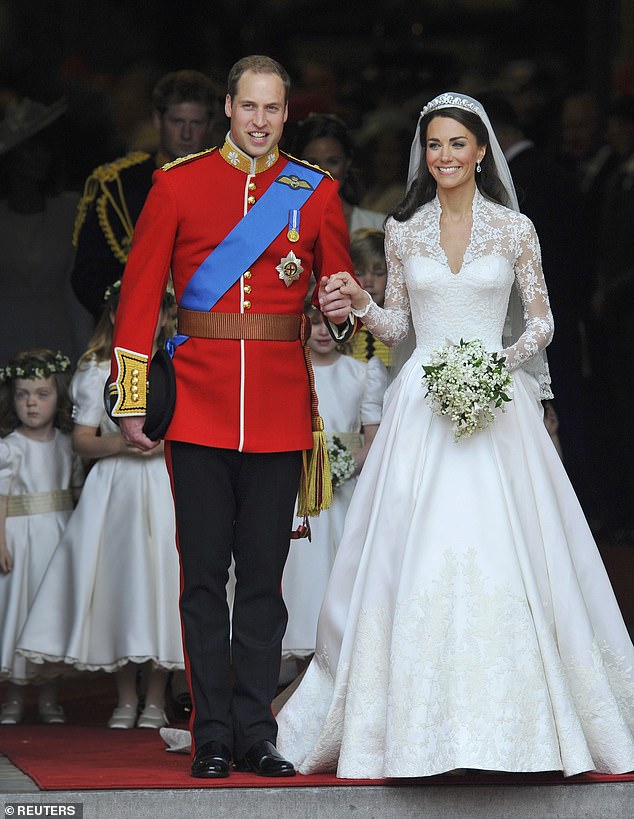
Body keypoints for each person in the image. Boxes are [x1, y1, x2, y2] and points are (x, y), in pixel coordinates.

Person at [274, 92, 634, 778]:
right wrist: (361, 302)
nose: (444, 156)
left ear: (480, 151)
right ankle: (411, 729)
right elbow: (400, 329)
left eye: (457, 145)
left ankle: (524, 729)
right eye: (434, 145)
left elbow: (543, 323)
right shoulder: (402, 230)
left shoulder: (515, 228)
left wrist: (495, 367)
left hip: (498, 404)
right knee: (413, 556)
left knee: (515, 553)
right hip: (422, 408)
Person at [108, 55, 354, 778]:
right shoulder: (177, 185)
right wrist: (130, 398)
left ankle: (257, 729)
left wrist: (338, 318)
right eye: (248, 106)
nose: (259, 121)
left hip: (278, 411)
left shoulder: (316, 194)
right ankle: (211, 730)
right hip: (198, 409)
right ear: (227, 107)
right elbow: (140, 295)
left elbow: (335, 305)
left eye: (272, 109)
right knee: (203, 577)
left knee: (265, 582)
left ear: (286, 115)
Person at [16, 284, 183, 729]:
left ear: (165, 318)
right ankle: (125, 695)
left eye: (154, 314)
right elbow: (82, 440)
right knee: (120, 583)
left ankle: (154, 698)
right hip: (117, 488)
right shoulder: (96, 371)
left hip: (166, 486)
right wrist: (124, 445)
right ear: (114, 318)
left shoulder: (176, 365)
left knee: (164, 581)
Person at [281, 302, 387, 675]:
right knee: (298, 574)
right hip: (298, 490)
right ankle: (295, 667)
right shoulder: (290, 370)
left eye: (333, 322)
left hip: (343, 492)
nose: (323, 331)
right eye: (314, 322)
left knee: (338, 572)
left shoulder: (363, 373)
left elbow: (372, 438)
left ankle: (332, 662)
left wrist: (341, 467)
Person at [70, 69, 217, 321]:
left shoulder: (226, 184)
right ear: (158, 120)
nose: (186, 134)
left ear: (210, 125)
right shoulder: (118, 185)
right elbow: (88, 274)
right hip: (132, 329)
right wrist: (128, 312)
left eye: (196, 123)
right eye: (177, 121)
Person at [0, 348, 83, 725]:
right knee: (18, 612)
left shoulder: (68, 445)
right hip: (19, 539)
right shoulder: (9, 448)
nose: (31, 403)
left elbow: (78, 492)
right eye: (22, 394)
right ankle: (14, 698)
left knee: (49, 613)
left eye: (42, 394)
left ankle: (50, 696)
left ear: (59, 396)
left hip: (58, 536)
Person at [0, 96, 92, 364]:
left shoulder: (70, 211)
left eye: (44, 149)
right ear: (11, 157)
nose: (38, 158)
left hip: (58, 344)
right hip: (5, 345)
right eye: (29, 149)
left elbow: (74, 294)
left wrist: (87, 358)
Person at [291, 113, 386, 234]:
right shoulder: (285, 226)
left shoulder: (377, 226)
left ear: (347, 163)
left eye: (333, 162)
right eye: (312, 163)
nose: (324, 171)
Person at [347, 228, 393, 370]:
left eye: (378, 273)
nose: (368, 281)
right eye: (359, 273)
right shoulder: (342, 322)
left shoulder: (402, 321)